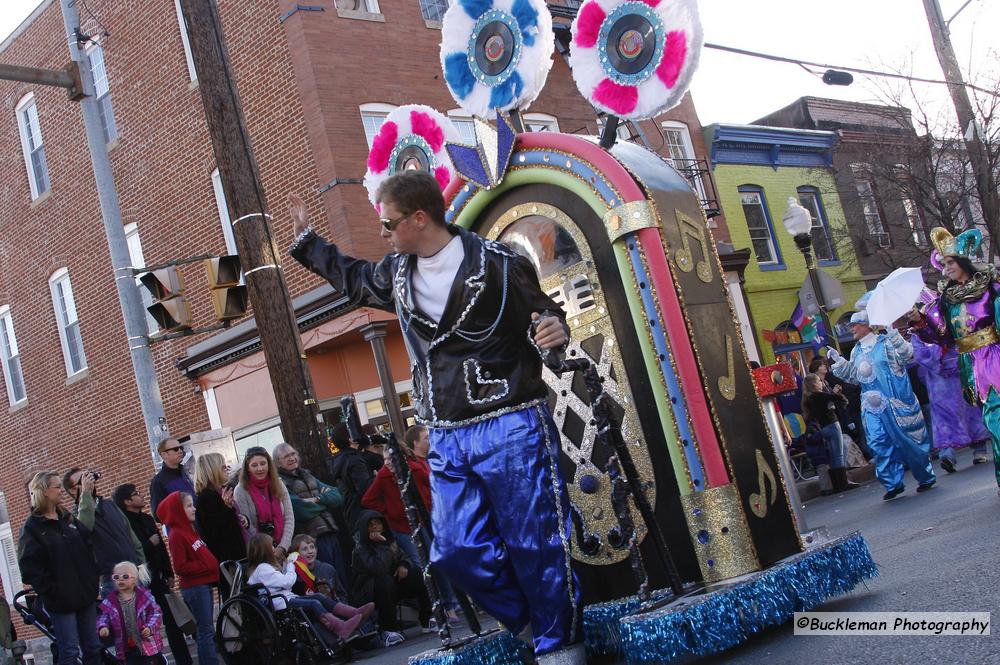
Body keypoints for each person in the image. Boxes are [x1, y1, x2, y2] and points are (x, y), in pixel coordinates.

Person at [289, 170, 580, 661]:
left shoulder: (499, 264)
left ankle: (559, 647)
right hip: (444, 432)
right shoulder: (398, 274)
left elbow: (545, 315)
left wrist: (554, 330)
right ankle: (534, 626)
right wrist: (307, 242)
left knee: (536, 544)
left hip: (509, 420)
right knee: (457, 552)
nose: (383, 234)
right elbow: (356, 281)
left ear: (419, 218)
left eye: (388, 224)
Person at [909, 227, 1000, 494]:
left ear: (962, 263)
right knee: (991, 418)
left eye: (950, 263)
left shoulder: (990, 289)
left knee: (995, 418)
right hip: (969, 363)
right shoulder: (947, 301)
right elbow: (944, 337)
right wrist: (920, 322)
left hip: (993, 357)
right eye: (944, 263)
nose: (946, 268)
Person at [830, 310, 936, 500]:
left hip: (894, 403)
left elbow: (907, 355)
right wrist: (841, 363)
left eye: (855, 324)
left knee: (908, 442)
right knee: (878, 442)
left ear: (867, 325)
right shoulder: (856, 351)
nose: (852, 328)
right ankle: (892, 483)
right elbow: (855, 378)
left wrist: (894, 335)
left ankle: (925, 476)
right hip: (871, 406)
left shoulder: (885, 343)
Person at [361, 426, 460, 622]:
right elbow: (368, 500)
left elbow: (432, 486)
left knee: (436, 561)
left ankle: (450, 604)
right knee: (419, 566)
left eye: (391, 459)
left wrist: (430, 508)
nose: (387, 463)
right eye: (385, 460)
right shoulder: (383, 475)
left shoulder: (414, 469)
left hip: (422, 521)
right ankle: (433, 607)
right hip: (402, 526)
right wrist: (390, 512)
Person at [18, 471, 101, 665]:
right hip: (61, 601)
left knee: (93, 647)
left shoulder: (68, 519)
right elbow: (29, 567)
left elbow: (88, 546)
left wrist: (92, 580)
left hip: (85, 595)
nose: (61, 491)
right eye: (57, 487)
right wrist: (52, 591)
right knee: (70, 651)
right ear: (44, 491)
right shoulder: (33, 527)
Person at [112, 484, 192, 665]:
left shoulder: (147, 519)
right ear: (127, 501)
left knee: (172, 622)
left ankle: (184, 660)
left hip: (158, 576)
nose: (141, 496)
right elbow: (132, 551)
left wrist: (168, 571)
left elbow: (162, 548)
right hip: (140, 580)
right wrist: (149, 543)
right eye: (136, 494)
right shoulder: (125, 523)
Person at [245, 534, 363, 642]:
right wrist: (291, 564)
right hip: (282, 603)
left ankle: (353, 613)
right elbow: (287, 582)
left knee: (318, 596)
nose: (274, 548)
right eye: (271, 546)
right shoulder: (263, 569)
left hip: (285, 599)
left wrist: (286, 566)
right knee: (314, 603)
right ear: (265, 550)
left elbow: (281, 580)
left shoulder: (263, 568)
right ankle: (340, 627)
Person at [910, 335, 991, 472]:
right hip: (939, 384)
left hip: (960, 373)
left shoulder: (947, 319)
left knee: (971, 410)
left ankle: (979, 449)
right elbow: (920, 355)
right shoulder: (918, 334)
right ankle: (947, 455)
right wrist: (939, 349)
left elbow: (964, 338)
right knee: (943, 418)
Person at [155, 492, 219, 665]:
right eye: (189, 505)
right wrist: (206, 567)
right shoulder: (177, 535)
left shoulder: (190, 530)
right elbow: (180, 566)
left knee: (207, 630)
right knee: (204, 631)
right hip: (195, 588)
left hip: (203, 585)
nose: (194, 508)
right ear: (178, 510)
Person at [349, 510, 431, 643]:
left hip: (391, 584)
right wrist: (382, 545)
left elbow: (403, 556)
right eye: (371, 525)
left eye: (377, 523)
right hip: (370, 591)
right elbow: (379, 569)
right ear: (365, 529)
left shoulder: (390, 541)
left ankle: (427, 618)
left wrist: (403, 565)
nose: (375, 527)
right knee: (385, 581)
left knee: (416, 572)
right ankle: (388, 630)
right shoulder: (360, 550)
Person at [273, 443, 348, 587]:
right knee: (325, 582)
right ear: (278, 462)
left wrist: (317, 499)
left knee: (340, 577)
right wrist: (324, 503)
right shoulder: (281, 483)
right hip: (311, 540)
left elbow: (337, 495)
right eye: (286, 456)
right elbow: (300, 509)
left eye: (293, 454)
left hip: (330, 532)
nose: (291, 458)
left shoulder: (307, 475)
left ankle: (348, 607)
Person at [62, 468, 146, 595]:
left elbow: (131, 536)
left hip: (134, 573)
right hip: (112, 581)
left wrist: (141, 564)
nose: (89, 481)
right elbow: (84, 528)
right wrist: (85, 493)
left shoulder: (109, 505)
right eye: (82, 480)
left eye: (88, 477)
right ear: (73, 490)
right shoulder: (75, 516)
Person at [288, 534, 373, 625]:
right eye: (305, 549)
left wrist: (343, 606)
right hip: (315, 618)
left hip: (336, 610)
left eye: (312, 547)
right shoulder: (293, 576)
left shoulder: (328, 569)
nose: (310, 551)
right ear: (296, 554)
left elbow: (341, 593)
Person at [97, 561, 164, 664]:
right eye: (116, 577)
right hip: (126, 647)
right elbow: (104, 615)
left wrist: (149, 627)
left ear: (135, 579)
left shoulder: (144, 596)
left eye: (125, 576)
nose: (120, 580)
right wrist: (103, 626)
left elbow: (155, 613)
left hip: (147, 644)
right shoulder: (111, 600)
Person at [801, 373, 858, 494]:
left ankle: (835, 484)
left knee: (832, 455)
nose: (821, 383)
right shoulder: (820, 395)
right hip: (832, 424)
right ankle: (843, 482)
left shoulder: (807, 399)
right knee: (839, 454)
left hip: (822, 428)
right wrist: (839, 397)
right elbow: (838, 398)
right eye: (819, 381)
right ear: (815, 384)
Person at [234, 447, 295, 554]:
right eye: (254, 465)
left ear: (269, 464)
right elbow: (248, 526)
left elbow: (289, 517)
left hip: (284, 547)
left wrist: (282, 547)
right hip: (261, 551)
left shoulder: (278, 483)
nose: (260, 469)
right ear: (247, 468)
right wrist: (269, 549)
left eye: (263, 463)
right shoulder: (241, 491)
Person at [193, 454, 247, 563]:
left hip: (238, 553)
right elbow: (217, 533)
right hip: (229, 559)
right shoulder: (206, 498)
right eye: (223, 467)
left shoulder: (220, 492)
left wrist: (242, 518)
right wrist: (227, 509)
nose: (227, 470)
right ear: (213, 471)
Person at [327, 424, 375, 532]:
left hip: (353, 514)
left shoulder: (339, 459)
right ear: (350, 439)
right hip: (366, 515)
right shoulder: (354, 460)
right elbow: (366, 489)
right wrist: (377, 478)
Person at [149, 438, 195, 518]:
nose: (180, 451)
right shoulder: (158, 481)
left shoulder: (187, 472)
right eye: (175, 449)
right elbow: (158, 514)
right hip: (181, 527)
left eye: (181, 448)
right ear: (164, 455)